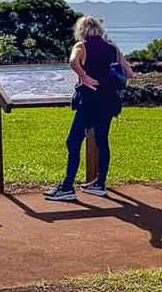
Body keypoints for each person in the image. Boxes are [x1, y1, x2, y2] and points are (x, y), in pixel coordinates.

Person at [44, 15, 133, 202]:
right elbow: (129, 73)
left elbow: (72, 61)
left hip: (89, 100)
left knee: (74, 141)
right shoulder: (112, 48)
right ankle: (99, 184)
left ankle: (67, 186)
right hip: (109, 102)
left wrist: (84, 76)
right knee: (102, 140)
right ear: (99, 30)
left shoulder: (81, 46)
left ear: (81, 30)